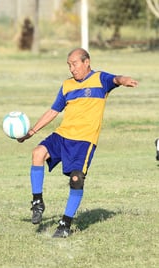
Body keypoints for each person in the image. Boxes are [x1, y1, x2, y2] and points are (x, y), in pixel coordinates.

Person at [17, 48, 138, 238]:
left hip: (84, 141)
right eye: (69, 65)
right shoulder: (67, 85)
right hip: (63, 135)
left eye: (74, 64)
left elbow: (116, 79)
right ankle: (37, 202)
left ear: (86, 62)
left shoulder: (100, 79)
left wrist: (124, 80)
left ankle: (65, 223)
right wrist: (31, 132)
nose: (71, 69)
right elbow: (53, 111)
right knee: (37, 153)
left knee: (76, 179)